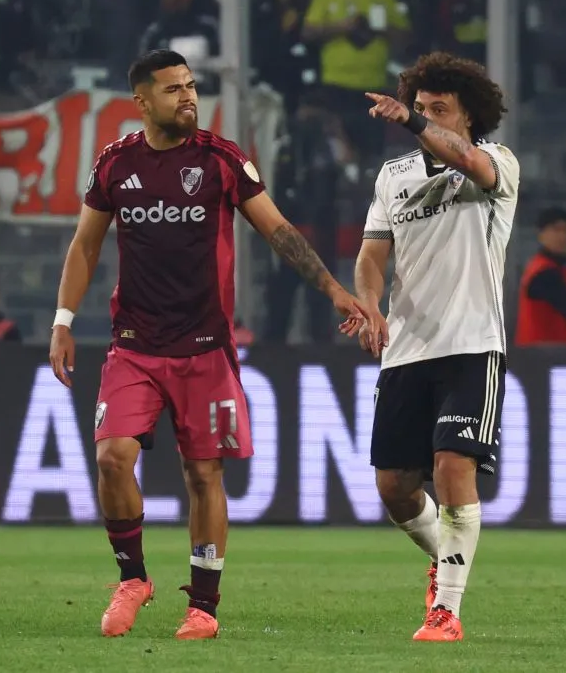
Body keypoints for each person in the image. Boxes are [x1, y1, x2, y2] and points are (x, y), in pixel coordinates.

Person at [48, 50, 372, 641]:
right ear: (142, 102)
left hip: (205, 348)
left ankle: (203, 605)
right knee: (111, 456)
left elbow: (278, 231)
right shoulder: (117, 163)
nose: (188, 97)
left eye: (191, 86)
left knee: (204, 475)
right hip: (134, 345)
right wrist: (63, 320)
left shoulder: (222, 160)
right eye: (173, 89)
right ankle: (133, 578)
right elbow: (85, 246)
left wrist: (333, 290)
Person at [354, 52, 519, 642]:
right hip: (406, 349)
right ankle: (446, 560)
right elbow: (373, 254)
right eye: (419, 109)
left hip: (473, 345)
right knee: (394, 488)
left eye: (438, 110)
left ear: (469, 115)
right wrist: (369, 303)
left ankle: (446, 610)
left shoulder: (495, 162)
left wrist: (413, 123)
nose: (423, 118)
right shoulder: (392, 176)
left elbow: (467, 159)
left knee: (453, 466)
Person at [514, 207, 566, 346]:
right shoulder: (543, 272)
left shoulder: (559, 270)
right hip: (542, 357)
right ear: (541, 235)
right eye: (556, 230)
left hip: (555, 356)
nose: (563, 236)